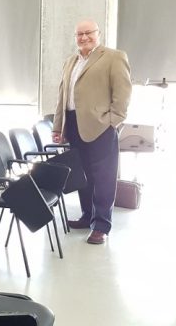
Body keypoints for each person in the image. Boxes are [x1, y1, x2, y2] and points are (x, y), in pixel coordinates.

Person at [52, 19, 132, 245]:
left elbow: (123, 93)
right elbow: (62, 97)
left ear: (98, 34)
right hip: (73, 125)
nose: (84, 37)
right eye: (79, 34)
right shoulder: (70, 61)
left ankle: (101, 225)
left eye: (88, 33)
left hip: (101, 126)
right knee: (82, 176)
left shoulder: (114, 57)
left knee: (104, 177)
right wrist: (58, 127)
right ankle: (87, 216)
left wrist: (112, 121)